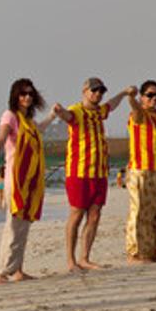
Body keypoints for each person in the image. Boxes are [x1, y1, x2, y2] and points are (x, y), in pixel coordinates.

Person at [51, 78, 133, 271]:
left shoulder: (99, 112)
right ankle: (71, 260)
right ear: (85, 91)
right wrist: (58, 111)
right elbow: (67, 116)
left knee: (95, 214)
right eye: (94, 91)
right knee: (77, 214)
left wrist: (124, 92)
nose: (98, 94)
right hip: (79, 173)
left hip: (99, 172)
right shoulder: (77, 111)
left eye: (100, 92)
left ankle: (85, 257)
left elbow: (111, 105)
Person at [0, 78, 57, 283]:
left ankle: (17, 269)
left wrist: (52, 115)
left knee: (24, 223)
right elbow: (0, 139)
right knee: (14, 223)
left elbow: (39, 129)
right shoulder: (11, 116)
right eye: (22, 94)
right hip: (15, 178)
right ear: (15, 96)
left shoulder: (29, 121)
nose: (26, 97)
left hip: (31, 179)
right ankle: (3, 271)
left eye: (30, 94)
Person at [124, 81, 156, 263]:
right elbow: (135, 108)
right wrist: (130, 96)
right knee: (139, 212)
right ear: (142, 97)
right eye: (149, 95)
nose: (154, 99)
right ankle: (135, 252)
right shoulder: (139, 115)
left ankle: (151, 250)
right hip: (141, 170)